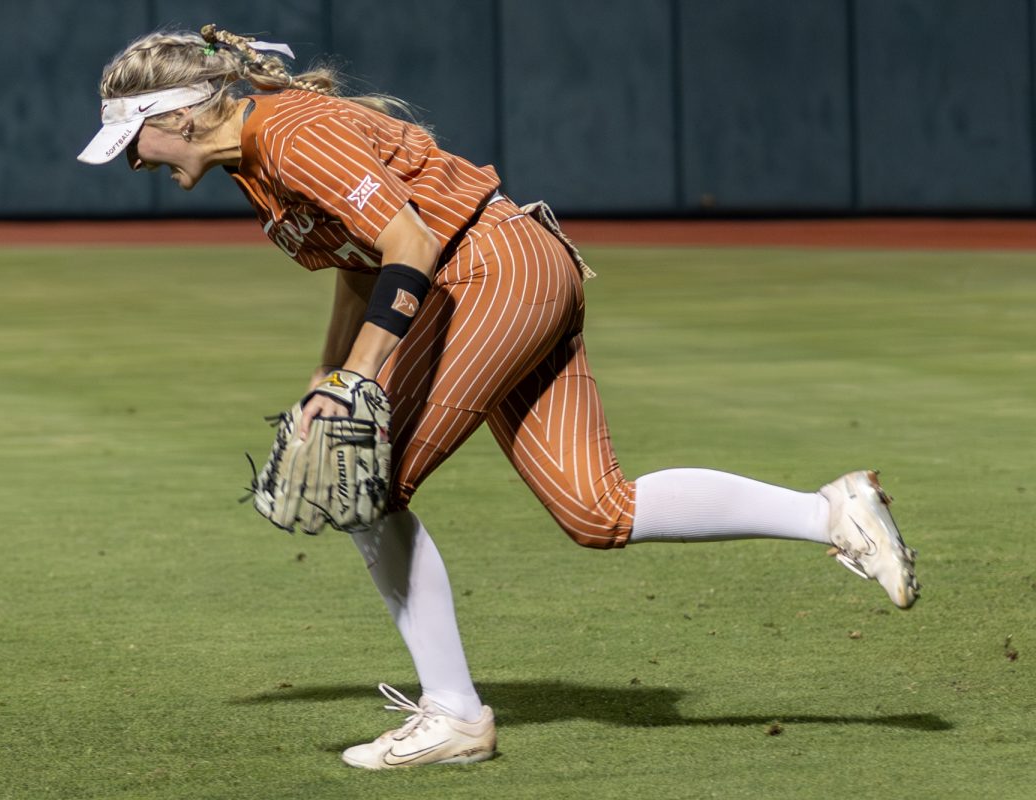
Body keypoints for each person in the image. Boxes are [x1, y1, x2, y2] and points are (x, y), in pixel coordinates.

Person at [78, 24, 919, 770]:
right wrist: (326, 374)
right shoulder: (256, 167)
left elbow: (409, 243)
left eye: (133, 142)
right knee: (598, 511)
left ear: (177, 116)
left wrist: (362, 377)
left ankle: (453, 714)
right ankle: (830, 513)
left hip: (491, 273)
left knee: (367, 488)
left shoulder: (292, 135)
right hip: (504, 273)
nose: (134, 161)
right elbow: (360, 266)